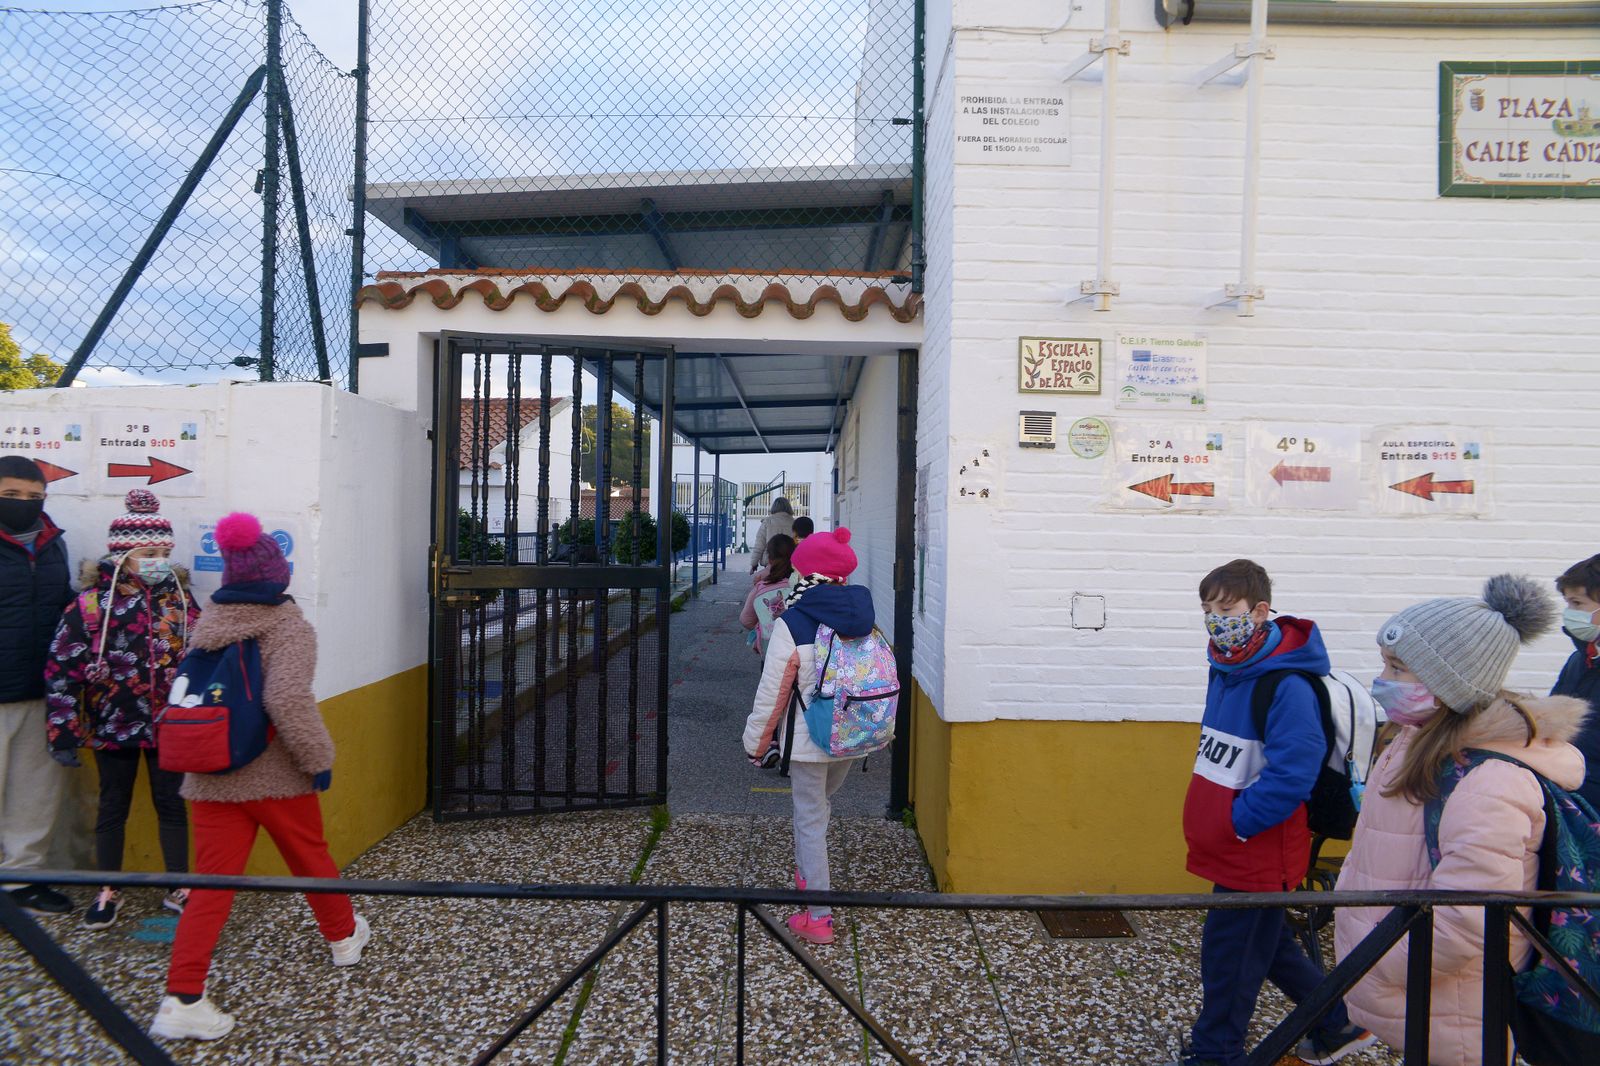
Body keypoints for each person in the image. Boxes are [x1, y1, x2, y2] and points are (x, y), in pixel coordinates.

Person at [1335, 574, 1581, 1066]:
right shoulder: (1416, 740)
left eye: (1398, 667)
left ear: (1450, 682)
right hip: (1421, 996)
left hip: (1455, 1008)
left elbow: (1469, 920)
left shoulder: (1489, 781)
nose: (1383, 678)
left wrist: (1378, 964)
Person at [149, 512, 371, 1042]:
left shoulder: (209, 621)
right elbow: (287, 699)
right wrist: (318, 759)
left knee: (210, 886)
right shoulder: (288, 626)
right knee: (310, 857)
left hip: (210, 776)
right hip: (275, 778)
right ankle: (343, 938)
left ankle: (182, 998)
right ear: (277, 574)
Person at [1167, 559, 1373, 1066]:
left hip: (1257, 848)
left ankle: (1216, 1054)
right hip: (1236, 844)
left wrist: (1236, 825)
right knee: (1270, 945)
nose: (1216, 620)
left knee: (1230, 958)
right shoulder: (1226, 669)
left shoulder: (1287, 685)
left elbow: (1291, 775)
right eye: (1208, 610)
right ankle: (1337, 1023)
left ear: (1260, 611)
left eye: (1227, 610)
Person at [45, 490, 199, 928]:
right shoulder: (92, 605)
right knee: (113, 806)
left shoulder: (180, 602)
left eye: (164, 553)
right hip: (113, 726)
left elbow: (202, 656)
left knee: (172, 804)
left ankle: (178, 884)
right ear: (123, 555)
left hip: (168, 727)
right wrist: (62, 730)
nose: (158, 562)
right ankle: (108, 888)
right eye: (148, 554)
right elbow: (61, 668)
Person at [742, 527, 870, 946]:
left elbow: (772, 693)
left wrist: (756, 744)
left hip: (808, 738)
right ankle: (806, 872)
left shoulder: (793, 623)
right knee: (819, 807)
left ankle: (818, 916)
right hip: (850, 734)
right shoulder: (862, 616)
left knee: (810, 818)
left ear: (805, 573)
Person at [0, 454, 75, 916]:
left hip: (41, 692)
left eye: (34, 496)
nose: (23, 503)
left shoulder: (54, 544)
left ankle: (22, 882)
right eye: (10, 495)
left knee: (34, 796)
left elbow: (62, 607)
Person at [1550, 553, 1600, 810]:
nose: (1570, 613)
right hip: (1570, 798)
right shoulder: (1579, 660)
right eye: (1568, 603)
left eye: (1577, 603)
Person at [740, 533, 796, 657]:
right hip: (797, 653)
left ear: (769, 559)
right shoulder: (800, 584)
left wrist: (762, 627)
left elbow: (746, 619)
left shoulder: (761, 586)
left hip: (770, 652)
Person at [748, 496, 794, 573]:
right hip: (788, 562)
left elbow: (759, 544)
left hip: (770, 560)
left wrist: (754, 564)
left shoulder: (767, 521)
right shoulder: (793, 522)